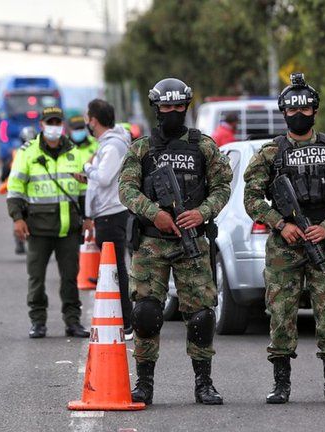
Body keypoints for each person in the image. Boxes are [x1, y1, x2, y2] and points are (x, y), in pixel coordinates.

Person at [243, 72, 325, 405]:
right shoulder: (269, 154)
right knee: (281, 313)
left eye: (305, 110)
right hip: (285, 248)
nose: (299, 115)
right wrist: (281, 224)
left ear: (315, 111)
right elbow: (251, 199)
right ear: (284, 112)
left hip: (324, 243)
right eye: (293, 110)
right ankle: (281, 385)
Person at [118, 78, 232, 405]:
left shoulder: (204, 147)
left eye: (178, 107)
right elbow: (126, 190)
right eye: (166, 107)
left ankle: (204, 383)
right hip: (152, 242)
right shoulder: (141, 149)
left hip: (192, 242)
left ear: (186, 107)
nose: (172, 112)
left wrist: (202, 212)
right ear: (156, 108)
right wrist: (154, 213)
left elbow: (223, 186)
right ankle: (144, 384)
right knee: (146, 313)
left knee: (201, 315)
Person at [6, 107, 90, 339]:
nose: (54, 126)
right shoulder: (28, 152)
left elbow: (84, 190)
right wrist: (17, 219)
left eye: (57, 122)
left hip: (69, 228)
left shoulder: (74, 152)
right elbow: (15, 189)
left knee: (70, 278)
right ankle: (38, 321)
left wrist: (88, 217)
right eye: (49, 122)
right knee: (36, 278)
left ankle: (72, 322)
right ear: (42, 125)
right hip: (38, 228)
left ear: (62, 125)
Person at [81, 99, 133, 340]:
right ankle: (121, 317)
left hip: (111, 214)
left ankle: (128, 322)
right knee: (113, 268)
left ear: (94, 120)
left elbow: (103, 178)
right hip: (106, 212)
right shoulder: (108, 144)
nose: (86, 124)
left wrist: (87, 167)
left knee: (116, 269)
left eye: (88, 119)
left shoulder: (112, 146)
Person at [1, 126, 38, 255]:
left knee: (18, 217)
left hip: (20, 195)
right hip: (37, 194)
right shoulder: (43, 154)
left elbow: (4, 173)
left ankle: (20, 242)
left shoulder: (16, 154)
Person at [66, 114, 99, 212]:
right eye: (76, 129)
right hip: (72, 197)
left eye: (81, 128)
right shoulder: (64, 147)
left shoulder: (96, 144)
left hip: (94, 194)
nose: (79, 131)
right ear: (69, 129)